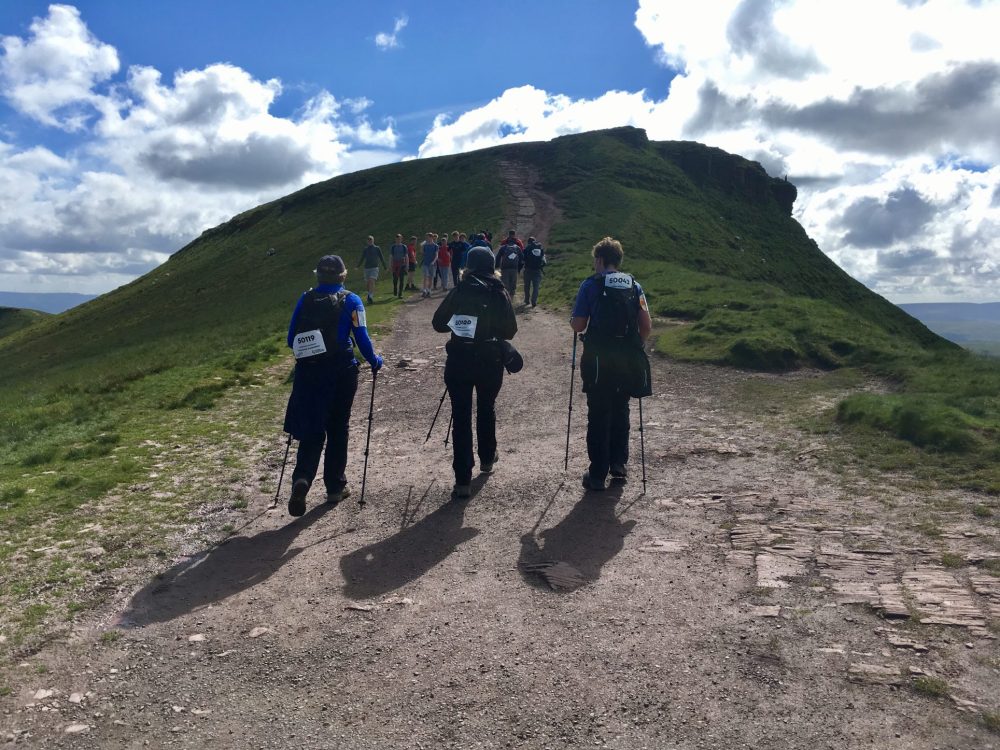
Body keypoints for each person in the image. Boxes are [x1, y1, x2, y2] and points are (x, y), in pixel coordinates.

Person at [284, 255, 384, 516]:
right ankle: (335, 487)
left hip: (309, 372)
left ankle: (302, 478)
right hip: (341, 370)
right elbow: (361, 336)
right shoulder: (352, 300)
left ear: (318, 275)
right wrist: (375, 360)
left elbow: (290, 338)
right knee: (339, 426)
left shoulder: (305, 299)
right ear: (342, 275)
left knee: (312, 427)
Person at [432, 247, 517, 499]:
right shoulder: (499, 290)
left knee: (460, 416)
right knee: (486, 407)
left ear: (468, 265)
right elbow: (510, 330)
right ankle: (488, 458)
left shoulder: (460, 290)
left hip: (460, 359)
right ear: (492, 266)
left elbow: (438, 323)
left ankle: (462, 480)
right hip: (490, 360)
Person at [569, 237, 652, 491]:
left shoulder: (590, 285)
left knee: (599, 412)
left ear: (600, 259)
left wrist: (573, 321)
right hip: (626, 359)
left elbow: (580, 325)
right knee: (621, 408)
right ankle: (619, 463)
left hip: (597, 359)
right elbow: (646, 327)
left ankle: (597, 474)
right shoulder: (634, 286)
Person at [356, 236, 386, 304]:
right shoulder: (365, 249)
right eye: (369, 240)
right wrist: (357, 266)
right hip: (366, 268)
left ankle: (370, 296)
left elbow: (381, 257)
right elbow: (362, 258)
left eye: (371, 240)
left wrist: (385, 267)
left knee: (371, 280)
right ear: (367, 241)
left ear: (373, 240)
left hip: (374, 268)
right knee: (367, 284)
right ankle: (369, 294)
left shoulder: (377, 248)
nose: (370, 241)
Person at [522, 236, 546, 307]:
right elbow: (544, 260)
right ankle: (534, 301)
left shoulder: (527, 248)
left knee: (527, 286)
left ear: (528, 242)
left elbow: (523, 259)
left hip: (528, 270)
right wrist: (540, 267)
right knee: (536, 287)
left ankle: (526, 300)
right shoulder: (540, 248)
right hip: (537, 270)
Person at [389, 233, 409, 298]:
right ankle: (395, 289)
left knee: (401, 279)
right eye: (397, 239)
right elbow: (391, 256)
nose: (398, 240)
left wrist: (407, 265)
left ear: (401, 239)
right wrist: (390, 265)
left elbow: (406, 256)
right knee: (395, 280)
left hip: (402, 265)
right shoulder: (393, 247)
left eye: (399, 239)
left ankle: (400, 293)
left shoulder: (404, 247)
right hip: (395, 265)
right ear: (395, 239)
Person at [420, 232, 439, 298]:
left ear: (431, 237)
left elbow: (436, 255)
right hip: (425, 264)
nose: (427, 239)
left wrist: (433, 262)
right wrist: (422, 246)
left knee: (431, 278)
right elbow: (422, 253)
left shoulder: (435, 246)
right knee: (425, 276)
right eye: (426, 237)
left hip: (432, 265)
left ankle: (429, 290)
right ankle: (424, 290)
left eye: (428, 237)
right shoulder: (425, 245)